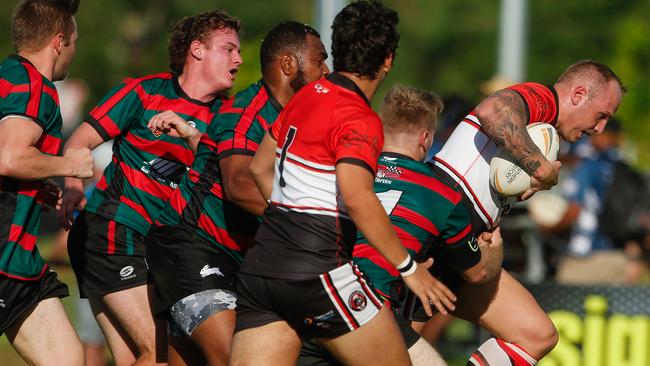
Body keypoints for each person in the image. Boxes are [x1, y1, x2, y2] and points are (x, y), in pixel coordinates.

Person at [231, 2, 445, 365]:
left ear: (339, 49)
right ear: (388, 60)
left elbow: (259, 167)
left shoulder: (303, 98)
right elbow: (358, 197)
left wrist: (287, 224)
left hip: (261, 272)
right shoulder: (359, 117)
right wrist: (409, 270)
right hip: (317, 272)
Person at [58, 10, 242, 365]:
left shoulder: (226, 117)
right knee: (159, 354)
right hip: (114, 232)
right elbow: (80, 141)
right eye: (229, 48)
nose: (239, 58)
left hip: (157, 249)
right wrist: (73, 187)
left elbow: (227, 173)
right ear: (198, 50)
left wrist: (190, 135)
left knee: (135, 357)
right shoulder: (144, 92)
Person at [145, 21, 329, 365]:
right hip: (191, 246)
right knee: (239, 359)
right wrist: (313, 226)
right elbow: (240, 186)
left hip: (241, 260)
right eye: (320, 61)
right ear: (289, 66)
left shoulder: (303, 122)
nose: (326, 72)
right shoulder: (247, 113)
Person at [419, 60, 626, 365]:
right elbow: (493, 111)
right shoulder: (543, 99)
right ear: (578, 94)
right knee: (394, 349)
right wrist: (539, 167)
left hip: (462, 242)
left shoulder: (546, 131)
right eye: (601, 116)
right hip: (435, 231)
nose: (600, 129)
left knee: (537, 334)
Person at [0, 1, 91, 365]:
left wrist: (37, 187)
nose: (73, 50)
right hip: (3, 259)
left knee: (69, 360)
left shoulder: (8, 76)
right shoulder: (34, 86)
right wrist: (70, 164)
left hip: (21, 267)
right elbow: (9, 156)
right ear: (58, 42)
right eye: (74, 41)